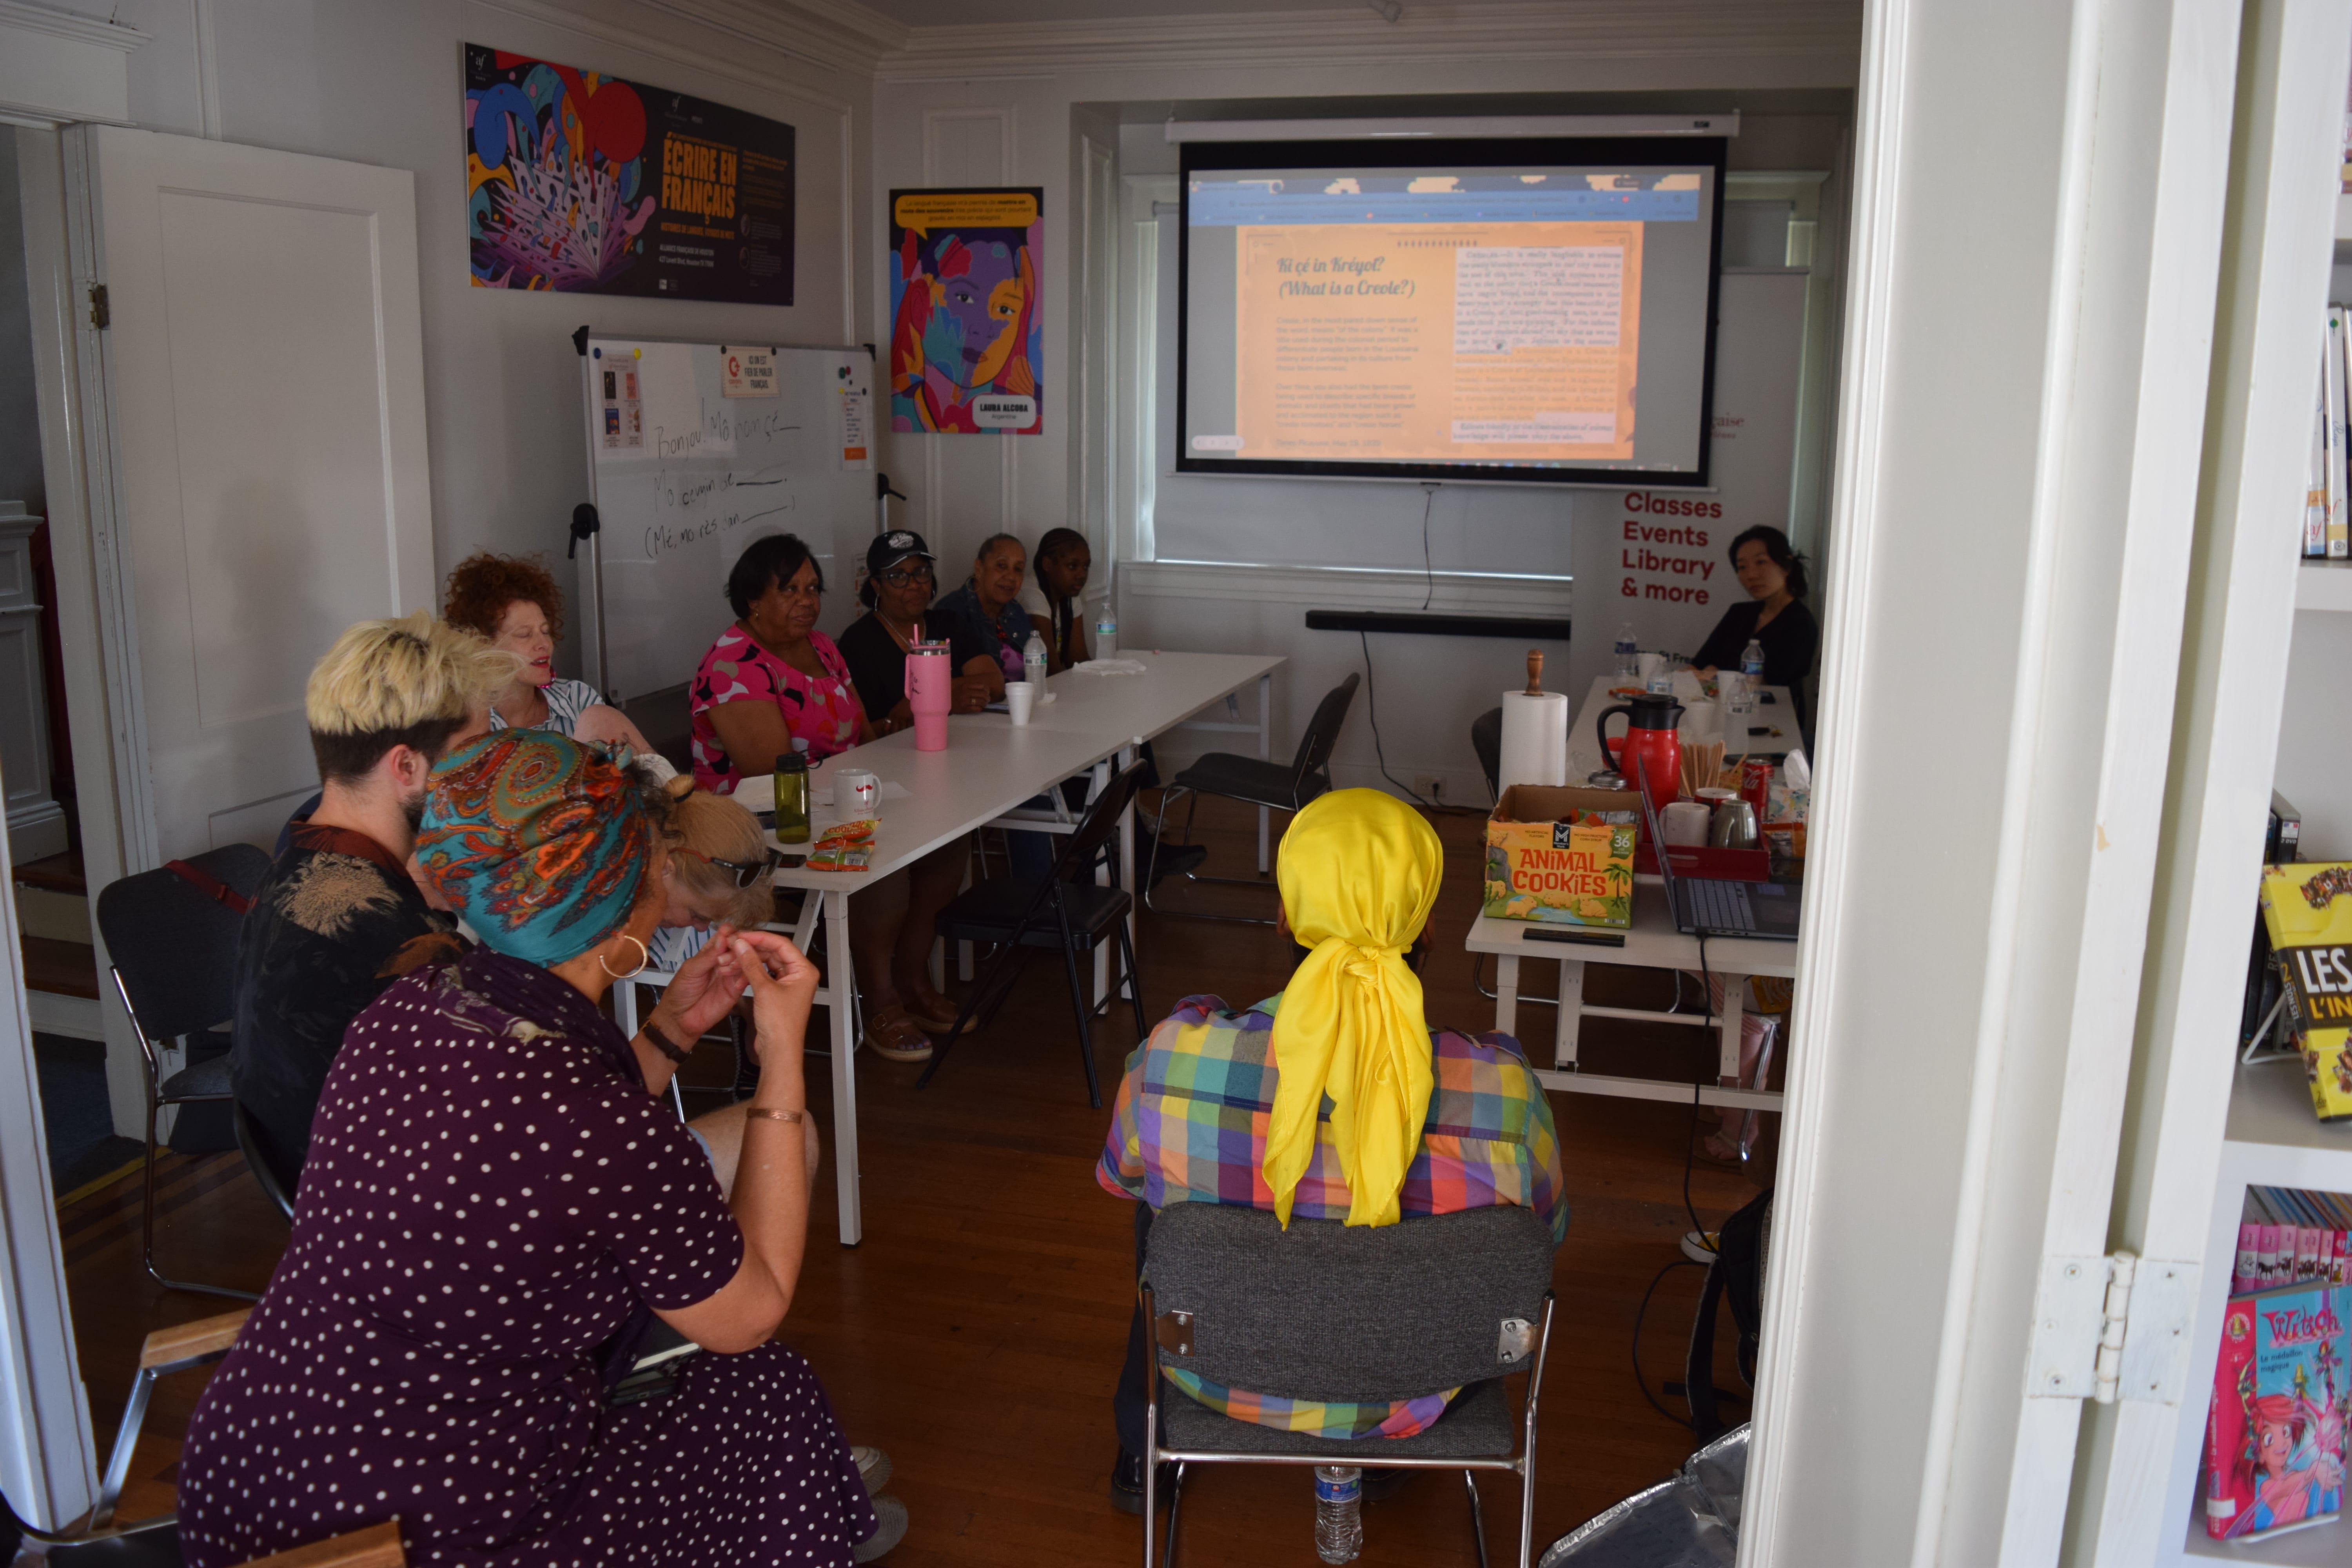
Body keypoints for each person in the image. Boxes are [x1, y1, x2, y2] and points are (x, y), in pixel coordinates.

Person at [178, 730, 905, 1566]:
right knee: (760, 1386)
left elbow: (540, 1151)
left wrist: (671, 1030)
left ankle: (816, 1515)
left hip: (247, 1472)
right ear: (626, 914)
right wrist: (781, 1057)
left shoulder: (412, 1006)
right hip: (424, 1526)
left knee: (743, 1386)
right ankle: (807, 1524)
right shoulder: (597, 1121)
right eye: (655, 867)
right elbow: (750, 1313)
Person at [1096, 789, 1566, 1512]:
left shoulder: (1169, 1061)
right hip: (1422, 1387)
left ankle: (1143, 1444)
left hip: (1214, 1375)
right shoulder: (1506, 1095)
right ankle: (1372, 1447)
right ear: (1427, 928)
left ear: (1286, 916)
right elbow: (1546, 1234)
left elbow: (1121, 1175)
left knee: (1156, 1212)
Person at [229, 612, 514, 1185]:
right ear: (407, 766)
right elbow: (523, 1123)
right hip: (403, 1214)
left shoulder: (291, 864)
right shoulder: (393, 936)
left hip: (325, 1194)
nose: (487, 777)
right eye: (473, 755)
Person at [690, 534, 873, 791]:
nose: (807, 601)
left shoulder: (821, 644)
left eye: (813, 588)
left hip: (843, 796)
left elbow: (866, 736)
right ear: (753, 599)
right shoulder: (731, 666)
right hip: (765, 811)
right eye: (789, 589)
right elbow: (773, 778)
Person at [443, 550, 656, 752]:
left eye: (545, 631)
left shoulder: (578, 699)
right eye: (525, 635)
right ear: (482, 644)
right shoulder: (465, 724)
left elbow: (651, 773)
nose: (544, 644)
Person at [835, 530, 1001, 733]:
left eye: (922, 572)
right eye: (898, 576)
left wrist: (930, 697)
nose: (914, 585)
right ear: (877, 585)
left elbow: (995, 683)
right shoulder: (858, 643)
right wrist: (934, 704)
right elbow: (856, 732)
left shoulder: (948, 623)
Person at [1690, 524, 1818, 730]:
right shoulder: (1739, 613)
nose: (1751, 575)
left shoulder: (1801, 623)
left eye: (1761, 562)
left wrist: (1716, 673)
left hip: (1772, 726)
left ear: (1786, 566)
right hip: (1720, 717)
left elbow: (1769, 685)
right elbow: (1698, 666)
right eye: (1742, 567)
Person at [932, 533, 1036, 686]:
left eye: (1018, 569)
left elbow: (1039, 670)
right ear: (979, 568)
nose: (1011, 577)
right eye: (1001, 566)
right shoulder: (950, 613)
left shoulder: (1015, 610)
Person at [1024, 526, 1091, 673]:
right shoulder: (1032, 596)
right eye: (1072, 566)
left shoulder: (1069, 594)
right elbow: (1051, 671)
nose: (1082, 575)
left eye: (1086, 567)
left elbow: (1078, 660)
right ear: (1047, 564)